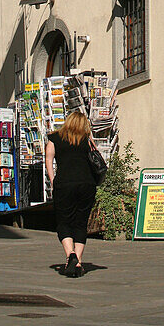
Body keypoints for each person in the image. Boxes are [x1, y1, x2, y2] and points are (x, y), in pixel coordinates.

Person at [45, 111, 97, 277]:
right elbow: (95, 157)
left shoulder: (55, 138)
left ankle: (70, 255)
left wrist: (53, 180)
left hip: (64, 184)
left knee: (64, 221)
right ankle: (79, 262)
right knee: (81, 223)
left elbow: (48, 158)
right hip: (86, 184)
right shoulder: (86, 140)